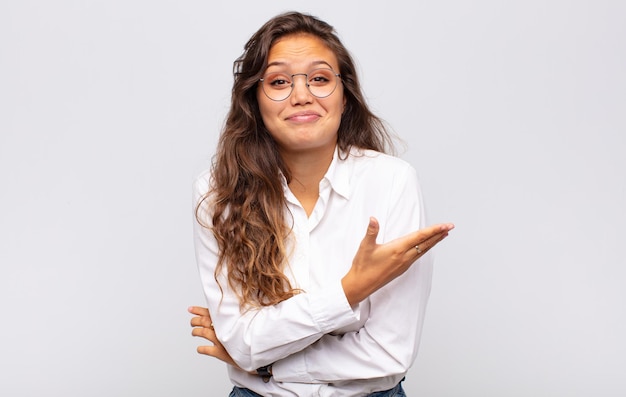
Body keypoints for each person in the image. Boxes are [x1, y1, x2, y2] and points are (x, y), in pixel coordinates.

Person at [188, 11, 454, 397]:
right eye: (279, 81)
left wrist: (266, 365)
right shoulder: (216, 192)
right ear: (254, 101)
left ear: (345, 96)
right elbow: (242, 342)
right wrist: (348, 292)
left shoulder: (392, 182)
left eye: (319, 78)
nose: (301, 95)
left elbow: (390, 353)